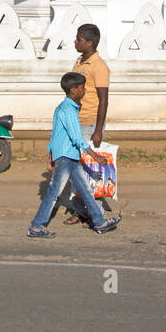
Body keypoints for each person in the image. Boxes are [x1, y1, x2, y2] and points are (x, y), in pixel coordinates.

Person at [28, 72, 122, 239]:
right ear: (73, 90)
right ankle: (36, 226)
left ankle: (100, 222)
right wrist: (96, 157)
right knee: (54, 193)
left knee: (86, 190)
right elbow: (77, 138)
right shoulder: (68, 110)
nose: (84, 91)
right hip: (66, 158)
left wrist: (50, 157)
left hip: (69, 157)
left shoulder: (62, 108)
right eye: (82, 88)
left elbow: (54, 135)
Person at [63, 23, 111, 226]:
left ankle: (96, 213)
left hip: (89, 123)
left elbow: (103, 99)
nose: (75, 42)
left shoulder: (99, 67)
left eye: (79, 39)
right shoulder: (80, 63)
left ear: (89, 43)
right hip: (75, 121)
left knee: (90, 172)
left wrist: (98, 130)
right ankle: (80, 210)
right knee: (75, 169)